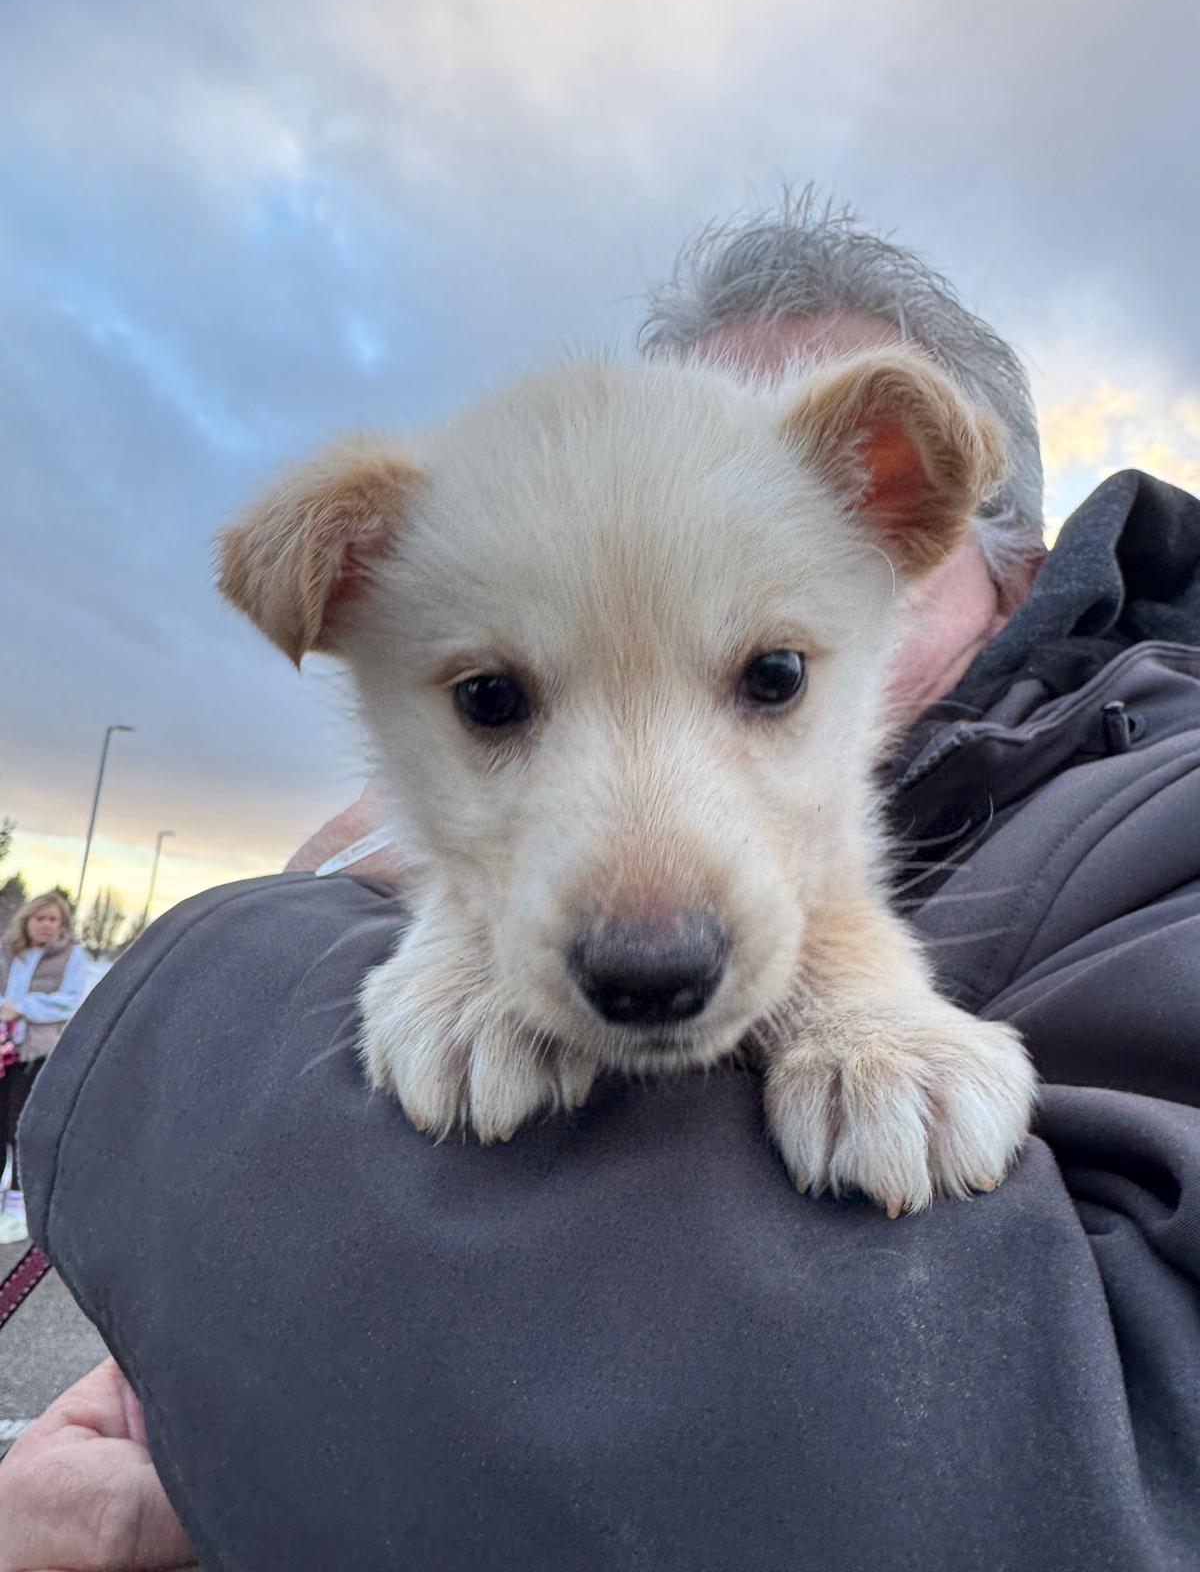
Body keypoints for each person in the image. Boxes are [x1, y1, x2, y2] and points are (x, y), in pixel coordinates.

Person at [6, 192, 1200, 1571]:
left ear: (973, 549)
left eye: (768, 677)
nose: (650, 912)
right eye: (496, 699)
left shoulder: (1158, 804)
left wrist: (206, 978)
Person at [0, 891, 87, 1245]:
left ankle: (18, 1203)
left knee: (20, 1126)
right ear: (28, 920)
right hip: (3, 1046)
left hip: (35, 1051)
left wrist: (23, 1006)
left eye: (54, 919)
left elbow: (70, 1001)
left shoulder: (71, 956)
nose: (47, 925)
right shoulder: (9, 950)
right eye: (41, 918)